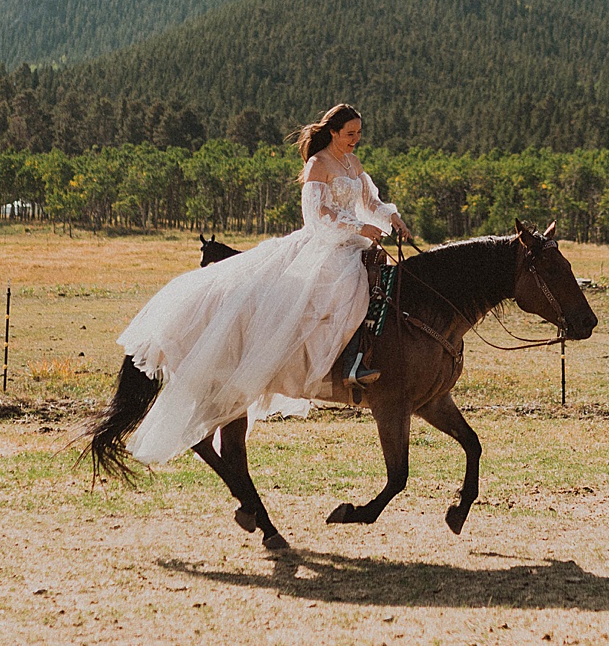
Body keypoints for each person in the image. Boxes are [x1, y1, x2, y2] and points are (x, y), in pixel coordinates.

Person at [116, 103, 413, 465]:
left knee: (385, 287)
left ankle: (370, 355)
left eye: (359, 134)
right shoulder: (317, 164)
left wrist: (391, 217)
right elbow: (317, 217)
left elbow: (371, 201)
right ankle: (348, 364)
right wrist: (357, 228)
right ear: (333, 132)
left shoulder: (353, 164)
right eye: (350, 134)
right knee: (345, 290)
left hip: (354, 242)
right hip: (325, 246)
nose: (355, 140)